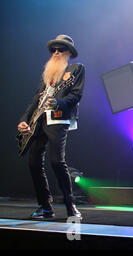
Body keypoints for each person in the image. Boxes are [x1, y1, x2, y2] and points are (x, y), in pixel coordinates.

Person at [17, 35, 85, 220]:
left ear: (69, 52)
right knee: (33, 162)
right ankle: (45, 206)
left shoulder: (75, 70)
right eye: (54, 49)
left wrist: (57, 102)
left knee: (56, 161)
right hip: (39, 121)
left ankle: (70, 205)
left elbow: (76, 96)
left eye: (60, 49)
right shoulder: (47, 75)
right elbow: (35, 101)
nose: (56, 52)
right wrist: (24, 120)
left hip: (57, 119)